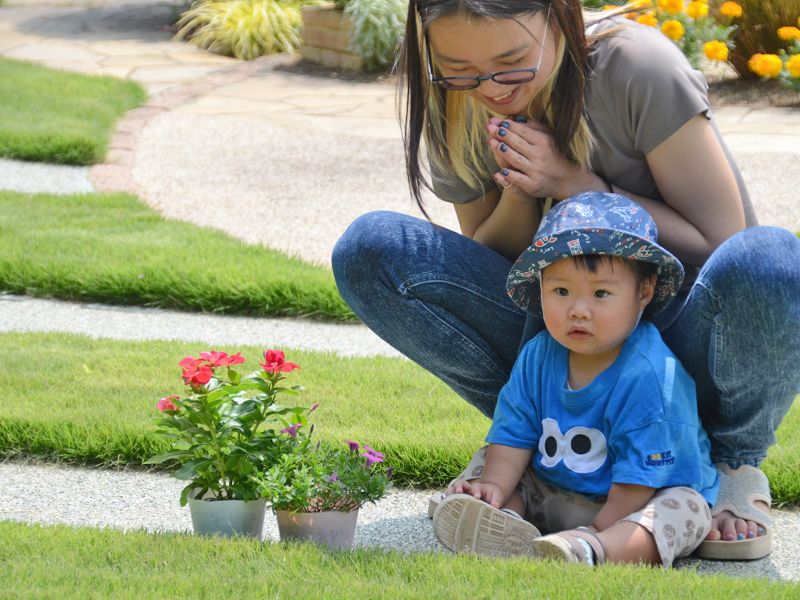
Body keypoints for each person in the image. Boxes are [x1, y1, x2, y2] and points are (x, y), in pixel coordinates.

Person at [331, 0, 800, 560]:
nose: (490, 88)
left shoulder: (636, 68)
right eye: (459, 67)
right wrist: (520, 187)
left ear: (560, 18)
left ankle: (728, 461)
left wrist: (577, 183)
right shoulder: (453, 98)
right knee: (370, 250)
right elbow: (490, 274)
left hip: (680, 332)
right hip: (564, 341)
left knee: (772, 258)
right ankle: (527, 440)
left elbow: (724, 246)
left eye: (512, 62)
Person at [432, 192, 719, 567]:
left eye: (601, 293)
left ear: (644, 291)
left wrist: (597, 530)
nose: (577, 311)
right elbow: (513, 433)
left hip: (637, 497)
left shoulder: (648, 374)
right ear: (541, 287)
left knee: (683, 512)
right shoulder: (538, 354)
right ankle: (497, 515)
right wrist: (495, 486)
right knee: (491, 462)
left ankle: (593, 551)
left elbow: (639, 478)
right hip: (553, 484)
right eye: (561, 291)